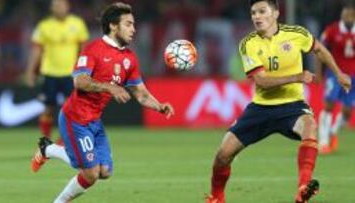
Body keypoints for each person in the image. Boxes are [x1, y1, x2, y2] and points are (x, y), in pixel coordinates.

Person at [205, 0, 351, 203]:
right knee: (222, 155)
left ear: (275, 13)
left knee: (310, 126)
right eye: (253, 12)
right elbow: (262, 81)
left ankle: (303, 188)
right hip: (261, 109)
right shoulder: (248, 44)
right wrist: (297, 77)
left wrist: (338, 72)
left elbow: (319, 49)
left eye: (262, 11)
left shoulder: (296, 34)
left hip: (292, 105)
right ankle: (216, 197)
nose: (257, 16)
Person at [31, 2, 174, 203]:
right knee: (90, 174)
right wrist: (110, 87)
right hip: (75, 118)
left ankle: (49, 149)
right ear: (113, 26)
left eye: (133, 24)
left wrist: (159, 106)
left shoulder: (129, 58)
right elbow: (79, 81)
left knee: (104, 172)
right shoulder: (94, 49)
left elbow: (140, 94)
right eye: (128, 24)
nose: (134, 29)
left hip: (94, 122)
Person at [26, 0, 89, 148]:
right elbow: (36, 50)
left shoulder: (78, 23)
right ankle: (46, 142)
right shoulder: (44, 26)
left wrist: (85, 70)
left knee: (71, 109)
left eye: (61, 5)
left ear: (68, 6)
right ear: (51, 8)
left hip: (71, 74)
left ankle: (64, 140)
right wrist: (30, 71)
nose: (59, 8)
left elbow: (84, 48)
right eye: (56, 6)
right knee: (48, 108)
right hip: (49, 73)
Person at [315, 3, 355, 155]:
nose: (347, 18)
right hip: (335, 74)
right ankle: (323, 142)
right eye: (345, 16)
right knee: (329, 105)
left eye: (350, 16)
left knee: (347, 112)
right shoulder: (332, 30)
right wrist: (319, 72)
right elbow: (319, 49)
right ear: (342, 16)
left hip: (353, 77)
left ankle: (332, 132)